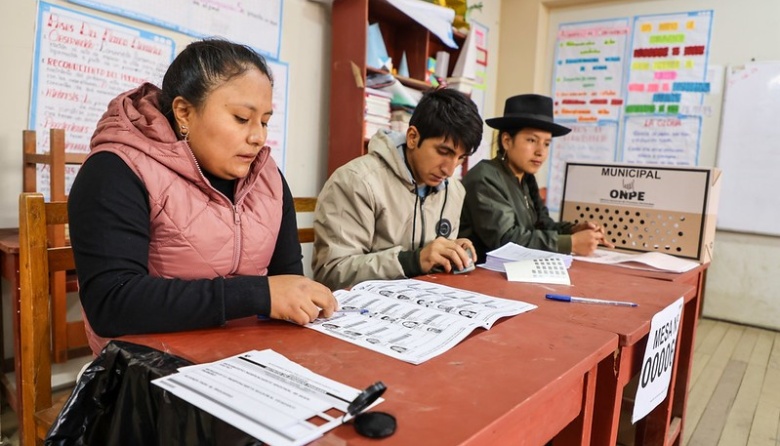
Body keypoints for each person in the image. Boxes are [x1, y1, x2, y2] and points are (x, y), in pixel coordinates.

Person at [69, 39, 337, 355]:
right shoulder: (115, 170)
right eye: (241, 118)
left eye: (264, 121)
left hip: (251, 354)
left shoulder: (269, 178)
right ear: (184, 112)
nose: (258, 137)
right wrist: (257, 294)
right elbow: (112, 303)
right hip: (149, 369)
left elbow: (287, 280)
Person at [312, 88, 483, 290]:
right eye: (443, 151)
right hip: (362, 311)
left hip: (422, 306)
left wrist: (452, 255)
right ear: (412, 137)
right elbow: (331, 273)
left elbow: (435, 266)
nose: (449, 169)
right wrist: (413, 261)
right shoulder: (356, 181)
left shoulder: (453, 190)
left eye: (461, 158)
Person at [460, 94, 612, 262]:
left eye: (546, 144)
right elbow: (506, 240)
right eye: (532, 140)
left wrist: (574, 230)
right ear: (507, 141)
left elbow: (543, 225)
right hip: (483, 274)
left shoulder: (526, 178)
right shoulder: (485, 178)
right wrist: (571, 243)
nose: (540, 151)